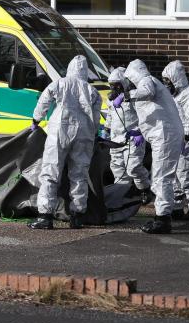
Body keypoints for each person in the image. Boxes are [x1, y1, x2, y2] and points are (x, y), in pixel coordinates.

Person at [28, 55, 101, 231]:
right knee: (79, 174)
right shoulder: (92, 91)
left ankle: (45, 216)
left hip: (59, 128)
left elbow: (45, 99)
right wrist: (94, 131)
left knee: (51, 171)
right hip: (84, 132)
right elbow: (96, 117)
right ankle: (77, 216)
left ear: (69, 69)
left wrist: (36, 119)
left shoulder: (60, 83)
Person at [122, 59, 185, 234]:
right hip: (165, 134)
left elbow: (147, 93)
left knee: (161, 178)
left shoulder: (146, 81)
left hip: (165, 136)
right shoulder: (152, 83)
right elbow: (154, 114)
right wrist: (139, 131)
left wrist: (127, 96)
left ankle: (162, 220)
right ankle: (162, 215)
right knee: (162, 177)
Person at [104, 67, 154, 203]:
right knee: (117, 168)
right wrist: (107, 128)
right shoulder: (111, 100)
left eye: (117, 85)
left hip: (133, 137)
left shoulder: (134, 97)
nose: (114, 88)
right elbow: (110, 114)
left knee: (133, 167)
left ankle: (145, 189)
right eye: (112, 86)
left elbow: (144, 116)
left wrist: (139, 131)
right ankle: (121, 195)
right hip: (115, 138)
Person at [162, 60, 189, 220]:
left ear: (176, 79)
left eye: (168, 81)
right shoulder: (176, 96)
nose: (166, 85)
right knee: (175, 177)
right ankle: (177, 206)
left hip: (187, 144)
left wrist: (184, 138)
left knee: (186, 175)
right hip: (176, 142)